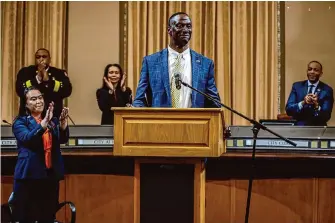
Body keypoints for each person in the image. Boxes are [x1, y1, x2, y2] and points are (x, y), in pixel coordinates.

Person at [132, 12, 221, 108]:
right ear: (169, 30)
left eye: (188, 26)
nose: (186, 30)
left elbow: (214, 102)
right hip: (160, 121)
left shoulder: (205, 64)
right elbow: (139, 99)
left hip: (194, 121)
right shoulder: (150, 62)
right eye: (180, 25)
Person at [11, 86, 69, 222]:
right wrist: (43, 124)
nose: (38, 101)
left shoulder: (52, 120)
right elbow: (28, 139)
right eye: (33, 99)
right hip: (29, 176)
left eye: (40, 97)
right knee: (27, 217)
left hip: (49, 176)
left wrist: (62, 125)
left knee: (47, 217)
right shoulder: (20, 122)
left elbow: (62, 140)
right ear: (25, 104)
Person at [16, 48, 72, 118]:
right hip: (30, 118)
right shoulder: (25, 72)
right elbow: (20, 90)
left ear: (49, 59)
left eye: (44, 56)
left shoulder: (59, 73)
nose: (41, 59)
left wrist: (49, 81)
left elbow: (67, 91)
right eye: (38, 57)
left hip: (53, 117)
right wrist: (37, 78)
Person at [286, 61, 334, 126]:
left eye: (316, 70)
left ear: (321, 73)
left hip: (318, 128)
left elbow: (326, 116)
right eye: (309, 69)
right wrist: (303, 102)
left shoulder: (327, 90)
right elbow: (289, 110)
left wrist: (317, 106)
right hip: (299, 128)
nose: (312, 72)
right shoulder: (297, 86)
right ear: (307, 72)